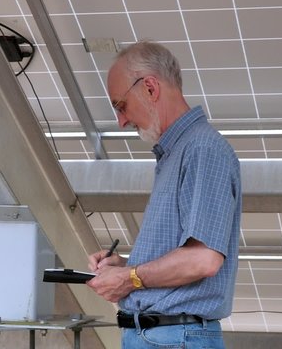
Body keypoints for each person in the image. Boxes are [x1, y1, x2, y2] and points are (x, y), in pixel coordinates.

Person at [87, 41, 242, 349]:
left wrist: (129, 277)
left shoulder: (202, 149)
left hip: (174, 338)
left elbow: (202, 260)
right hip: (162, 336)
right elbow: (183, 256)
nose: (122, 121)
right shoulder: (176, 154)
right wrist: (126, 267)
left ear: (149, 88)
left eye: (121, 106)